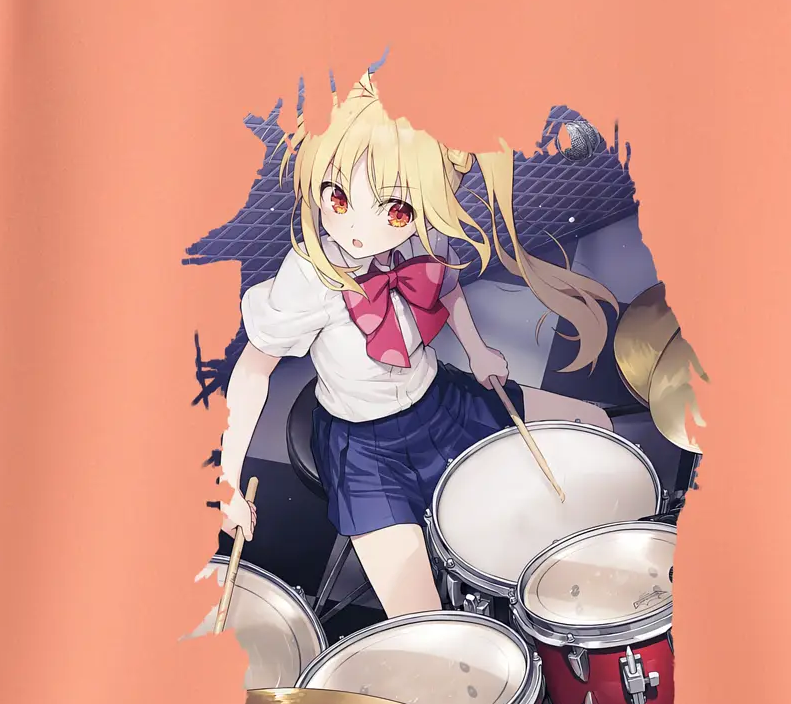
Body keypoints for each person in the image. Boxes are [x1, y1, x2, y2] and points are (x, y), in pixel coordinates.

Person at [216, 67, 615, 618]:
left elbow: (444, 284)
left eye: (396, 210)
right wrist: (228, 480)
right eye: (338, 196)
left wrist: (476, 350)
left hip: (439, 403)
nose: (360, 229)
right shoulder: (309, 274)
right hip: (362, 447)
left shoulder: (425, 234)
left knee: (594, 426)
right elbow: (253, 370)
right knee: (423, 623)